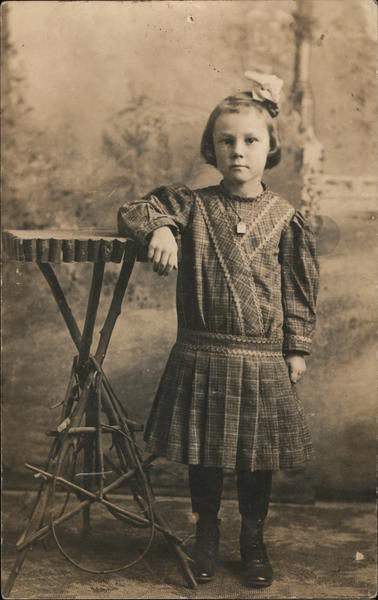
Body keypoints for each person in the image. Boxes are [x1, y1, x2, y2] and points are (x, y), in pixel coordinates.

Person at [117, 71, 319, 588]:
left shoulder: (285, 217)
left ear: (270, 147)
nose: (238, 152)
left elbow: (297, 290)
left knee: (256, 457)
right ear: (212, 147)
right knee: (204, 455)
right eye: (226, 141)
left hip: (260, 356)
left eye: (251, 141)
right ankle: (205, 534)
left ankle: (253, 538)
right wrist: (160, 227)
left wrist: (296, 348)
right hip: (203, 352)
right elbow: (134, 209)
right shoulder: (191, 206)